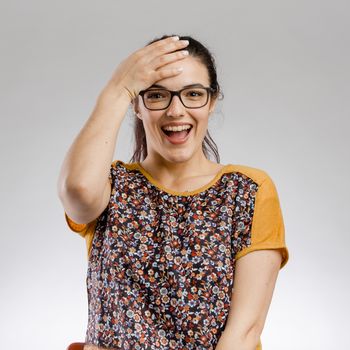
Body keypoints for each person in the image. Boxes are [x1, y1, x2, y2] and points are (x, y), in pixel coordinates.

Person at [58, 34, 289, 350]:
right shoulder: (111, 186)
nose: (176, 111)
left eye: (193, 94)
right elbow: (78, 191)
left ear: (212, 100)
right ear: (137, 105)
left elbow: (244, 332)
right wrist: (118, 87)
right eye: (156, 96)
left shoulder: (247, 191)